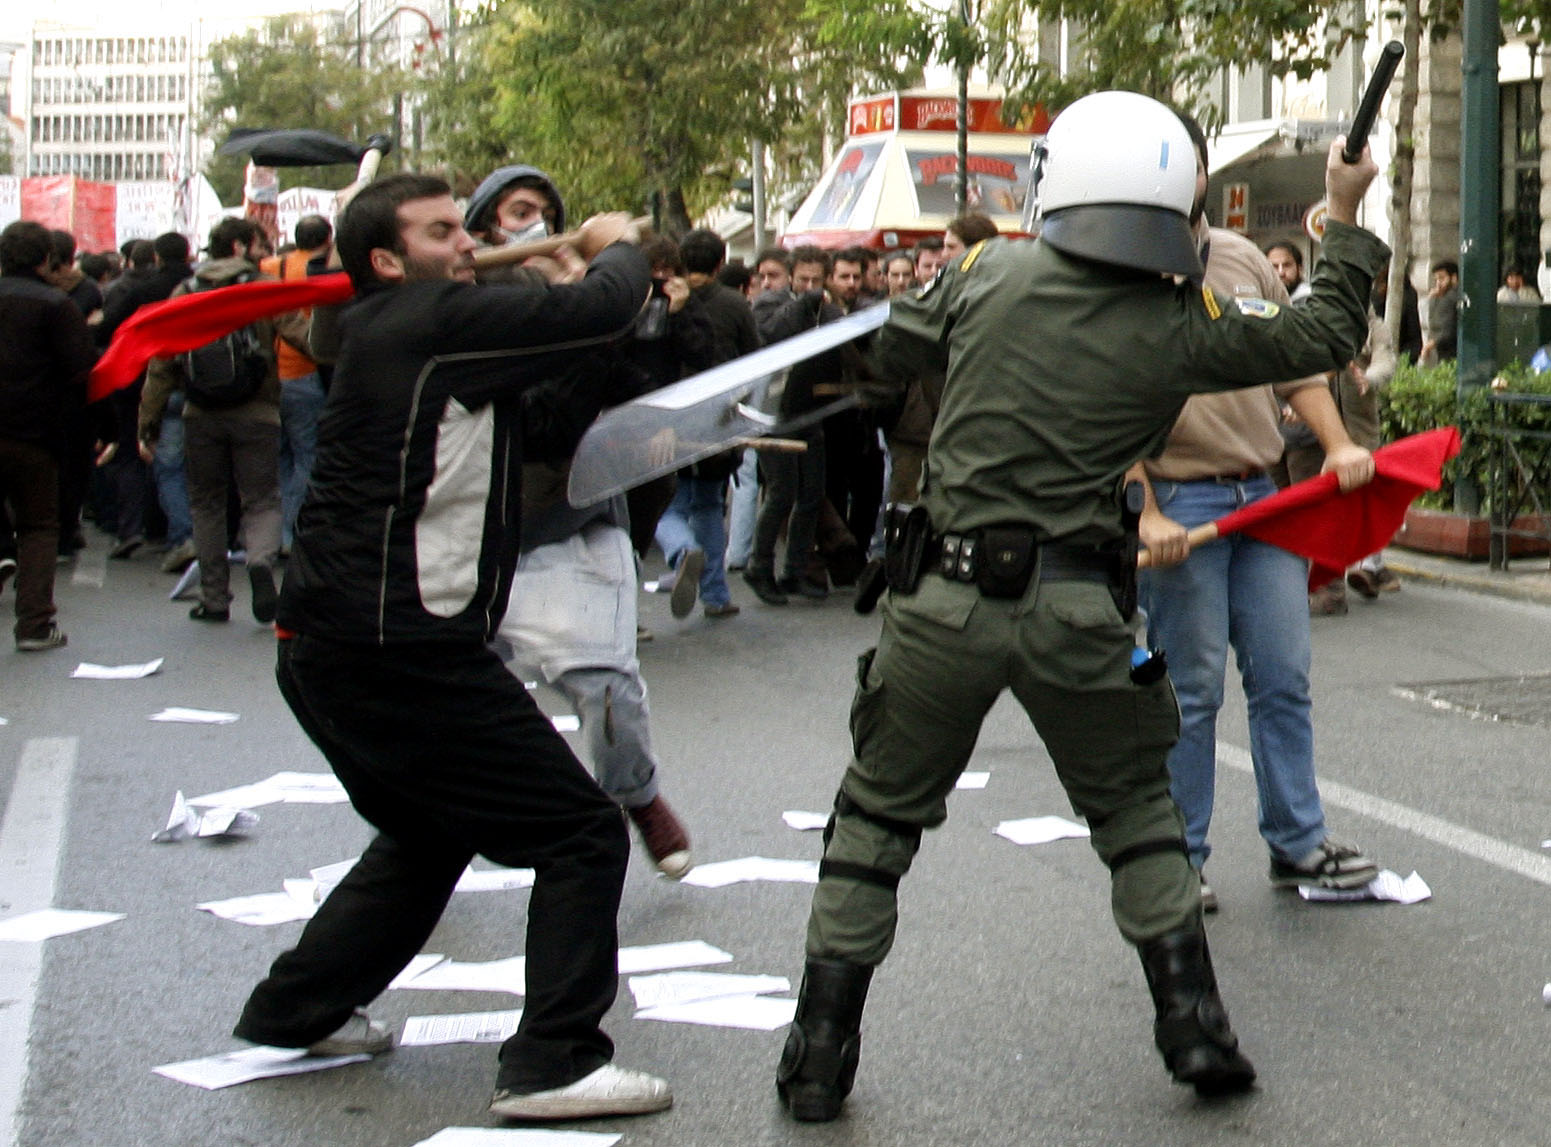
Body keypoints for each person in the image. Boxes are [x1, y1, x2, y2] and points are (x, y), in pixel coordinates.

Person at [775, 91, 1388, 1122]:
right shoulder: (1182, 323)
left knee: (874, 818)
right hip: (1082, 616)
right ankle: (1195, 1029)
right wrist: (1342, 206)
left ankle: (818, 1054)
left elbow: (892, 350)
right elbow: (1324, 328)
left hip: (941, 609)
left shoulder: (985, 273)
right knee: (1141, 812)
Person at [233, 173, 673, 1122]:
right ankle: (554, 1061)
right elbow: (602, 307)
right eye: (442, 234)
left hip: (343, 644)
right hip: (395, 649)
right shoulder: (417, 322)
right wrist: (609, 245)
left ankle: (294, 1006)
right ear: (389, 261)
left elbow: (558, 406)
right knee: (581, 829)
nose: (467, 245)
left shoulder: (428, 338)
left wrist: (570, 295)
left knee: (430, 832)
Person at [1131, 116, 1380, 915]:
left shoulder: (1239, 257)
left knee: (1282, 678)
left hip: (1263, 494)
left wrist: (1337, 442)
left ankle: (1297, 840)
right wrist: (1144, 511)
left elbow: (1296, 359)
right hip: (1183, 504)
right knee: (1190, 689)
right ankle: (1180, 854)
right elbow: (1094, 404)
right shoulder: (1112, 271)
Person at [479, 172, 698, 880]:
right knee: (459, 703)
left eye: (549, 215)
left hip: (576, 513)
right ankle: (423, 831)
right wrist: (588, 314)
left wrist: (628, 323)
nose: (542, 226)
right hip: (484, 527)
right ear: (484, 230)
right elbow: (538, 418)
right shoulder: (473, 307)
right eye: (522, 214)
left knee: (607, 686)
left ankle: (636, 793)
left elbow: (635, 390)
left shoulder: (582, 306)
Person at [140, 218, 290, 625]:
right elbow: (304, 336)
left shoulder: (186, 291)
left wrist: (148, 420)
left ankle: (214, 598)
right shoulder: (263, 288)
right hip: (258, 410)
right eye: (260, 244)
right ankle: (259, 560)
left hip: (199, 414)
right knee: (261, 497)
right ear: (241, 247)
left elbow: (163, 360)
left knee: (206, 503)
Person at [0, 220, 94, 651]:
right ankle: (34, 624)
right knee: (39, 526)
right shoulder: (56, 305)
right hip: (34, 432)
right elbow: (82, 369)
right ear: (46, 259)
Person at [654, 227, 756, 618]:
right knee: (710, 505)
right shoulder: (734, 304)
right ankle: (715, 594)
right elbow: (753, 358)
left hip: (669, 416)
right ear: (719, 264)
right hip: (718, 418)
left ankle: (681, 551)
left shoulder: (662, 298)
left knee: (669, 504)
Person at [261, 214, 334, 549]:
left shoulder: (269, 267)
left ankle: (270, 532)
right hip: (305, 371)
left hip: (267, 375)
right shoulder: (321, 272)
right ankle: (291, 532)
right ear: (327, 238)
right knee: (307, 454)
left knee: (278, 457)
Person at [1422, 259, 1459, 363]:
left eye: (1442, 278)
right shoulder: (1441, 296)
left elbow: (1447, 330)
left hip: (1451, 351)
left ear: (1454, 278)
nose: (1438, 283)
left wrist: (1430, 345)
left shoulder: (1450, 298)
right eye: (1437, 279)